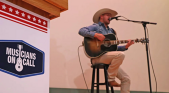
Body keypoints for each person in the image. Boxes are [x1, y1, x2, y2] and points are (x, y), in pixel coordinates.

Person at [78, 8, 135, 93]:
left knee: (126, 79)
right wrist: (96, 35)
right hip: (97, 57)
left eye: (110, 16)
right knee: (121, 55)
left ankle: (111, 78)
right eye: (108, 15)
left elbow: (114, 48)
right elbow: (81, 30)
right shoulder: (96, 26)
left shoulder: (111, 31)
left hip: (109, 58)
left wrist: (126, 46)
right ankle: (110, 79)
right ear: (101, 16)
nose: (110, 17)